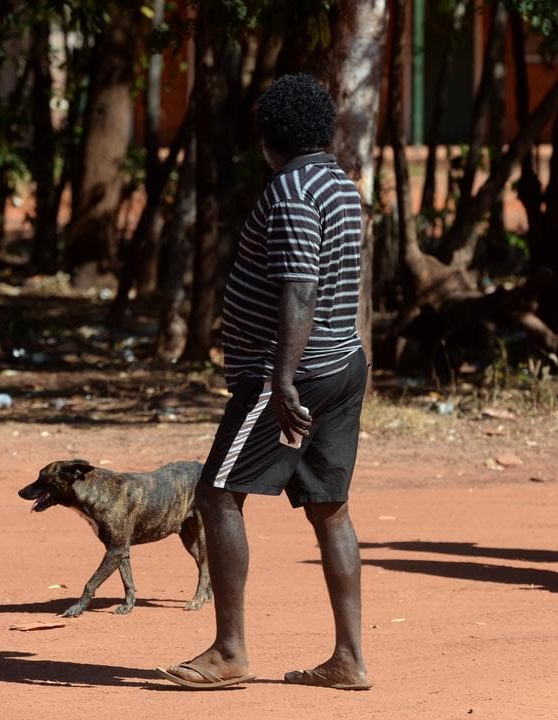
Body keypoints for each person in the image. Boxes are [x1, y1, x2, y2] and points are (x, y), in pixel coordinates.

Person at [157, 73, 371, 690]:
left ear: (267, 138)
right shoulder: (340, 184)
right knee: (331, 510)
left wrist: (280, 379)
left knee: (217, 493)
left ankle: (229, 651)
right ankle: (350, 659)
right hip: (340, 362)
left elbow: (300, 288)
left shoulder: (293, 191)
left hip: (293, 375)